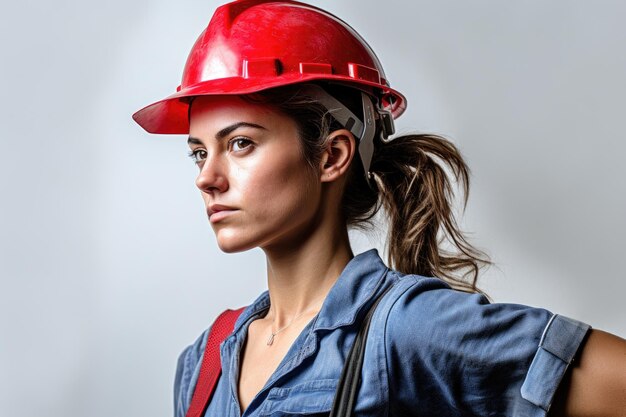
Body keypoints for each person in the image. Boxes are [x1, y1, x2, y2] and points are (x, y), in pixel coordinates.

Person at [133, 0, 626, 416]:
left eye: (240, 144)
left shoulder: (409, 327)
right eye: (199, 152)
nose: (206, 177)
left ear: (332, 155)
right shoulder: (203, 363)